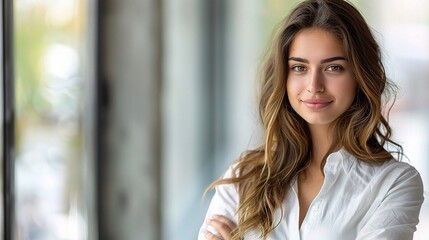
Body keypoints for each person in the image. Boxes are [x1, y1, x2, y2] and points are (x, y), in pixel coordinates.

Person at [198, 0, 424, 239]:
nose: (314, 86)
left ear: (360, 75)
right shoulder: (245, 175)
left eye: (333, 68)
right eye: (299, 68)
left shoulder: (394, 184)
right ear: (284, 77)